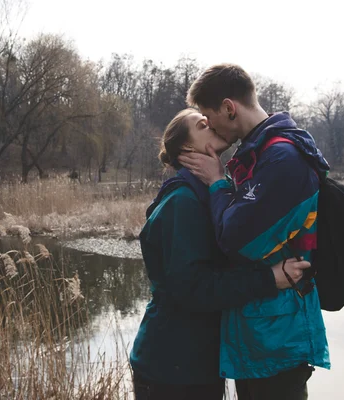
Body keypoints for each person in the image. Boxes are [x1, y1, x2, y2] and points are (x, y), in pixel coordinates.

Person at [130, 108, 312, 400]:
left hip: (196, 363)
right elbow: (194, 287)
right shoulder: (183, 203)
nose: (212, 123)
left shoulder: (211, 194)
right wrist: (269, 279)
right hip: (172, 368)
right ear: (188, 148)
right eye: (203, 124)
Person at [180, 63, 331, 400]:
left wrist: (218, 181)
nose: (209, 125)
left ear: (228, 108)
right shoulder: (258, 153)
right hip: (258, 332)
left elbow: (235, 241)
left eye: (208, 116)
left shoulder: (282, 158)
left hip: (278, 339)